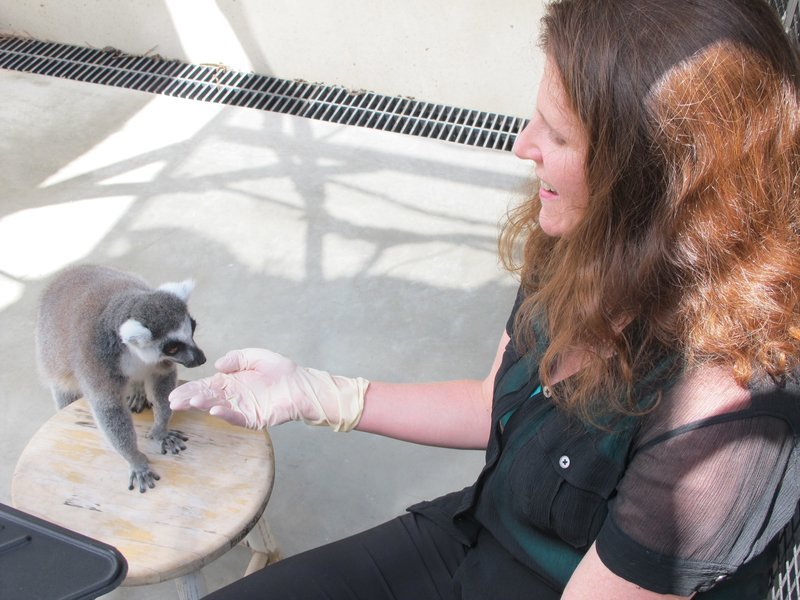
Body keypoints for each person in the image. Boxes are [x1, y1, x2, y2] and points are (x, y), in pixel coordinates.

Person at [169, 0, 800, 597]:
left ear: (647, 183)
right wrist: (313, 393)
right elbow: (489, 400)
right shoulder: (583, 239)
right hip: (475, 540)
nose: (522, 146)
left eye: (556, 135)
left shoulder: (724, 429)